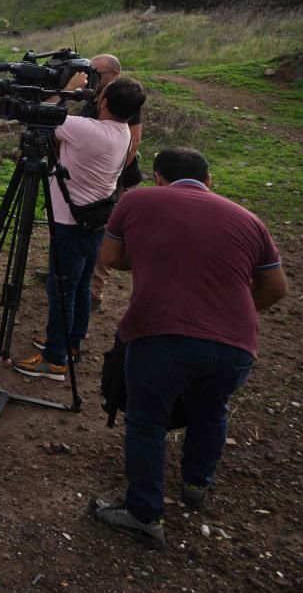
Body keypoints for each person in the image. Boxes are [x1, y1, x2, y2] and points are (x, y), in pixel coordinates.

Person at [90, 147, 287, 549]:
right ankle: (197, 484)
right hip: (236, 344)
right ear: (210, 180)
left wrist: (152, 254)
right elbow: (277, 288)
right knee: (211, 410)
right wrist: (239, 312)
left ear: (159, 177)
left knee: (147, 421)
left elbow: (109, 256)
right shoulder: (249, 219)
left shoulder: (138, 199)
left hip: (160, 333)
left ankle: (144, 513)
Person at [13, 77, 145, 380]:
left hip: (70, 222)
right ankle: (72, 342)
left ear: (104, 102)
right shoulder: (123, 132)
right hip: (95, 219)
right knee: (81, 285)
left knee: (61, 289)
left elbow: (36, 112)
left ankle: (55, 358)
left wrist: (64, 88)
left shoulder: (88, 130)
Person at [80, 54, 143, 309]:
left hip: (113, 178)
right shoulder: (95, 95)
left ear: (114, 75)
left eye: (98, 72)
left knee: (102, 231)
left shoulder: (123, 99)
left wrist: (113, 174)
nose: (92, 76)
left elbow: (134, 141)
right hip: (89, 176)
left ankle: (94, 290)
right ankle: (71, 271)